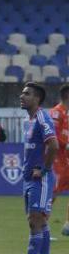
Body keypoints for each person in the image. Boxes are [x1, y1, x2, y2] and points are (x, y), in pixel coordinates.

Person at [15, 83, 58, 254]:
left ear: (37, 98)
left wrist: (44, 169)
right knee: (40, 221)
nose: (22, 96)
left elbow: (54, 145)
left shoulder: (42, 117)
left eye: (27, 94)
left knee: (34, 222)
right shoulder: (28, 120)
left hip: (41, 179)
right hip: (29, 179)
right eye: (22, 93)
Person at [50, 85, 69, 236]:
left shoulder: (67, 113)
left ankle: (68, 225)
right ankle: (40, 226)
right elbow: (53, 137)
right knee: (52, 194)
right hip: (57, 159)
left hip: (67, 159)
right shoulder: (56, 112)